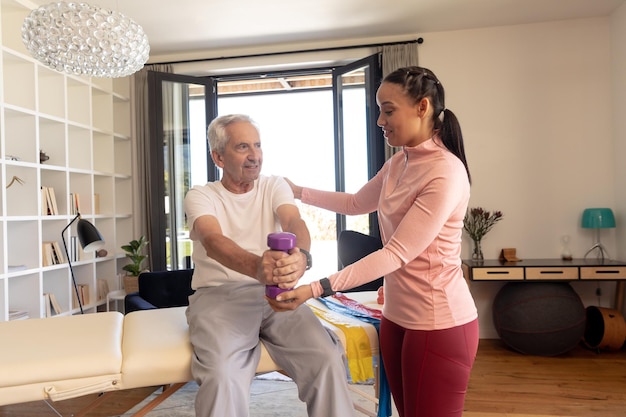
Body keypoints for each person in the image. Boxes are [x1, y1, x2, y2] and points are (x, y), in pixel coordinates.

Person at [268, 66, 479, 417]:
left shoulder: (445, 172)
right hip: (396, 317)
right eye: (378, 110)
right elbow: (355, 203)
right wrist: (297, 191)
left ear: (422, 107)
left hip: (439, 322)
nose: (380, 119)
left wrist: (315, 288)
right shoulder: (399, 163)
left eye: (388, 110)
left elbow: (397, 252)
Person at [184, 114, 355, 417]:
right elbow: (212, 239)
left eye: (258, 145)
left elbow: (293, 221)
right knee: (222, 375)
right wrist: (257, 268)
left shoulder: (274, 185)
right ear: (218, 157)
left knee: (327, 358)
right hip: (220, 297)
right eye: (242, 147)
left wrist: (301, 255)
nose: (255, 156)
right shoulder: (201, 195)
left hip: (275, 296)